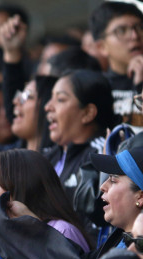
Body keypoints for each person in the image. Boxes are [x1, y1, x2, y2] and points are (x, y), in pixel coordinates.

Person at [44, 69, 116, 201]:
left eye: (60, 99)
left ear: (88, 113)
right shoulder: (47, 156)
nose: (48, 106)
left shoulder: (100, 156)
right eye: (51, 98)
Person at [88, 2, 143, 125]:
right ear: (102, 47)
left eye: (140, 27)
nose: (135, 36)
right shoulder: (97, 90)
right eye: (121, 31)